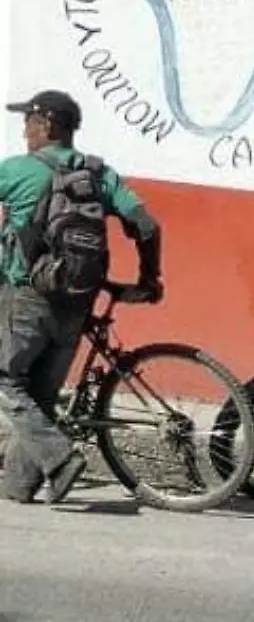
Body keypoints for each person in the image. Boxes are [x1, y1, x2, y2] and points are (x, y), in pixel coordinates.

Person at [0, 90, 163, 505]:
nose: (24, 131)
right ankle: (20, 485)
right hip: (78, 300)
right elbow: (146, 224)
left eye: (29, 123)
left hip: (28, 297)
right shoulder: (98, 174)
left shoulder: (17, 170)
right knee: (41, 394)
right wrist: (148, 279)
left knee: (5, 382)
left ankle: (61, 458)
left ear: (47, 125)